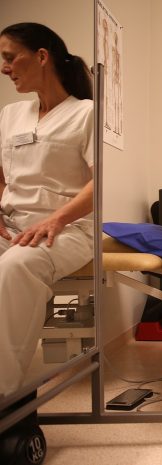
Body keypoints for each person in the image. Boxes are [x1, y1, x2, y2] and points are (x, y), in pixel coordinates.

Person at [0, 23, 94, 396]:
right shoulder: (10, 114)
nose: (5, 68)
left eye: (10, 57)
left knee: (16, 267)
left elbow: (100, 184)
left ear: (41, 56)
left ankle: (7, 393)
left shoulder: (86, 113)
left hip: (68, 230)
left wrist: (57, 218)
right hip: (12, 225)